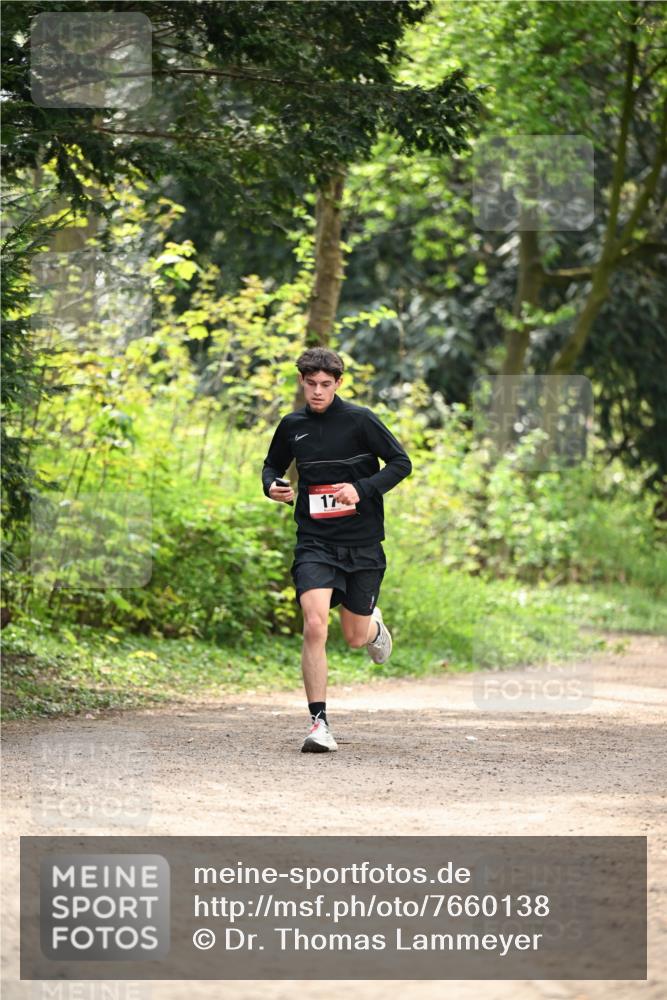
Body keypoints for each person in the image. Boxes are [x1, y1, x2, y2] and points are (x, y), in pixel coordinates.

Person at [261, 347, 412, 753]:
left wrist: (361, 489)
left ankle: (373, 627)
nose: (317, 391)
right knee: (314, 624)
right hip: (315, 542)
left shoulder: (361, 420)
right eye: (310, 383)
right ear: (301, 381)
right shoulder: (292, 425)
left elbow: (401, 463)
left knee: (354, 637)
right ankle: (319, 724)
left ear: (338, 383)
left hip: (362, 544)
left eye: (325, 384)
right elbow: (272, 465)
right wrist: (272, 485)